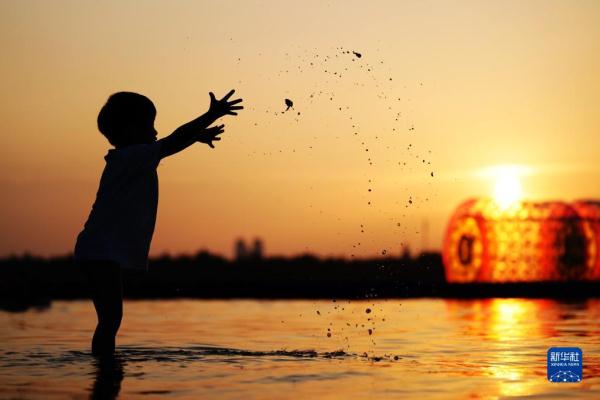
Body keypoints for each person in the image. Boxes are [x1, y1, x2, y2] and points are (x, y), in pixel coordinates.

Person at [74, 90, 243, 358]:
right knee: (111, 319)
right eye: (149, 125)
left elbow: (171, 144)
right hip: (100, 251)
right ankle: (104, 370)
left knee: (110, 319)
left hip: (99, 250)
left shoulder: (133, 159)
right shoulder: (130, 158)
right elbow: (172, 141)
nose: (154, 132)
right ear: (130, 130)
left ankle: (105, 369)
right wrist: (210, 116)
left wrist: (194, 137)